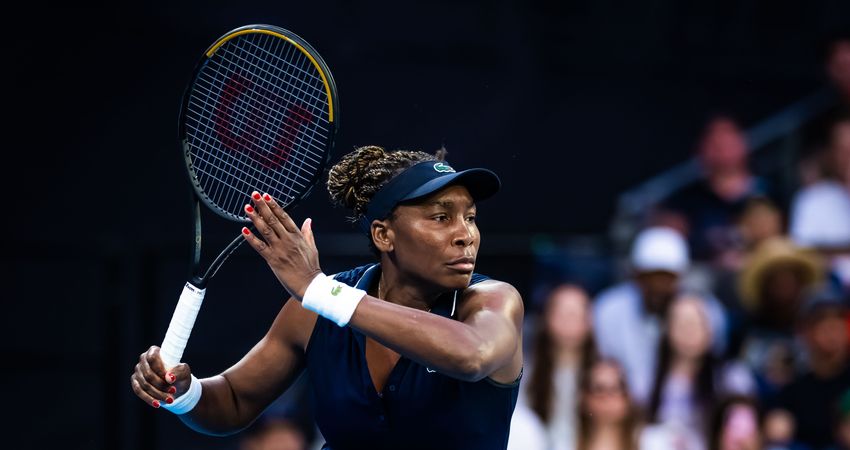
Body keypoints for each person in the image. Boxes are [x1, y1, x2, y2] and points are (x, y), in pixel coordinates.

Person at [130, 145, 525, 450]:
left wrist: (319, 289)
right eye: (441, 217)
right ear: (383, 235)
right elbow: (233, 401)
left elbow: (471, 356)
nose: (465, 234)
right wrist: (182, 394)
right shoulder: (314, 310)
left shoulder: (494, 301)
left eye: (470, 217)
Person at [593, 226, 727, 406]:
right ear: (636, 275)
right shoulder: (609, 309)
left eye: (666, 278)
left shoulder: (705, 310)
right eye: (650, 277)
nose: (657, 286)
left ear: (680, 278)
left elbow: (711, 368)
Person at [643, 294, 755, 450]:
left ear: (712, 330)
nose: (689, 331)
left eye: (696, 322)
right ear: (667, 330)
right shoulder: (647, 378)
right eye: (682, 323)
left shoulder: (732, 377)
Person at [509, 283, 597, 450]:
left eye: (576, 312)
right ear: (546, 318)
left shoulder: (602, 376)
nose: (569, 319)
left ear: (590, 320)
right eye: (562, 312)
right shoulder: (524, 372)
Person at [768, 283, 850, 450]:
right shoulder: (792, 392)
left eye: (838, 325)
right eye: (824, 325)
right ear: (805, 332)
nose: (832, 334)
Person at [576, 358, 642, 450]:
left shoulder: (652, 443)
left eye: (616, 388)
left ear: (629, 397)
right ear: (584, 398)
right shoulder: (564, 444)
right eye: (599, 389)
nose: (607, 397)